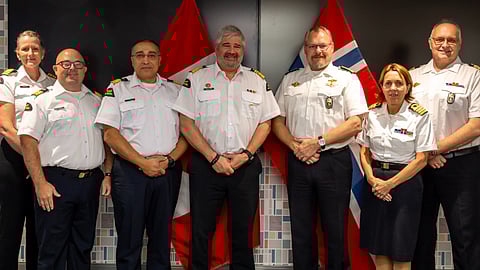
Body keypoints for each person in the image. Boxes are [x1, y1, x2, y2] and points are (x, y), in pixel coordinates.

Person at [172, 25, 280, 269]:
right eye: (227, 45)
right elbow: (186, 123)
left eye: (237, 46)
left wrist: (246, 154)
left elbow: (266, 122)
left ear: (243, 50)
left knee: (243, 232)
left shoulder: (256, 79)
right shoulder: (197, 78)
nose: (232, 51)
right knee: (201, 231)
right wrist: (213, 158)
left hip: (245, 166)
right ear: (217, 48)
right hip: (206, 166)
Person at [272, 25, 368, 270]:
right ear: (305, 49)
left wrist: (317, 143)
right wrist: (296, 146)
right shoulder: (290, 80)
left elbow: (356, 123)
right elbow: (277, 122)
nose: (317, 51)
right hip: (298, 160)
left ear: (332, 48)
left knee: (334, 228)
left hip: (333, 161)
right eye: (312, 46)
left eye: (322, 45)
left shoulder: (347, 79)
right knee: (301, 228)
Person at [94, 40, 187, 270]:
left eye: (152, 55)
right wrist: (142, 163)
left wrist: (170, 159)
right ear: (132, 60)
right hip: (129, 173)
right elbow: (110, 135)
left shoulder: (175, 90)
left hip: (167, 171)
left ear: (159, 60)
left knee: (161, 238)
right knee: (129, 238)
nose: (146, 60)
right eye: (140, 55)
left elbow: (188, 132)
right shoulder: (117, 89)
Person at [18, 48, 112, 270]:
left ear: (85, 69)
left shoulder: (96, 101)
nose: (72, 69)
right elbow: (27, 142)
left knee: (82, 245)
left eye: (78, 64)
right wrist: (40, 183)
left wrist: (107, 173)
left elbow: (108, 139)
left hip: (90, 182)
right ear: (55, 68)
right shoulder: (43, 100)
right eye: (66, 64)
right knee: (52, 248)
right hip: (55, 183)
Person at [410, 19, 480, 270]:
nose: (445, 45)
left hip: (461, 166)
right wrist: (426, 155)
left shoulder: (473, 76)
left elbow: (476, 125)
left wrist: (433, 149)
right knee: (420, 236)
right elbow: (403, 121)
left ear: (460, 44)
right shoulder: (413, 76)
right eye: (439, 39)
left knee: (465, 236)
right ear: (429, 43)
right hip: (419, 167)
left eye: (451, 40)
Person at [358, 63, 436, 270]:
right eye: (388, 83)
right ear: (381, 86)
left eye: (399, 83)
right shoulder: (372, 114)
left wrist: (389, 184)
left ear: (408, 87)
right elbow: (364, 151)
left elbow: (422, 159)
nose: (393, 88)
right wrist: (372, 179)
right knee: (380, 246)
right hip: (375, 181)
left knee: (402, 248)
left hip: (406, 183)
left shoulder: (419, 115)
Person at [0, 30, 56, 270]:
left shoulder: (53, 82)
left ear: (42, 53)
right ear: (17, 53)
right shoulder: (8, 80)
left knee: (39, 224)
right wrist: (30, 156)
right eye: (25, 49)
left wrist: (38, 160)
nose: (30, 53)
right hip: (12, 159)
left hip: (42, 160)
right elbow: (5, 126)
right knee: (9, 224)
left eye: (35, 48)